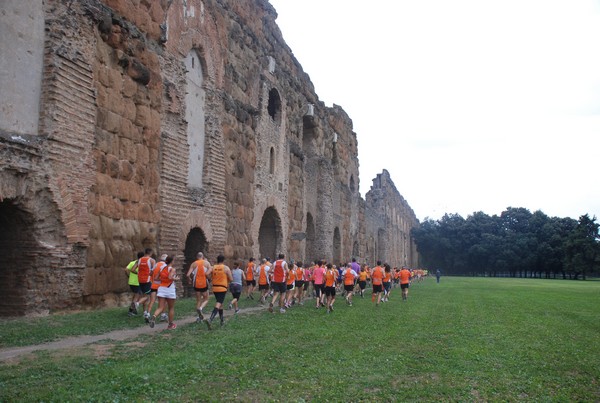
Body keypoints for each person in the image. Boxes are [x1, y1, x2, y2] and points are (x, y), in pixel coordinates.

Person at [149, 255, 180, 330]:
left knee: (160, 307)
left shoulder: (162, 268)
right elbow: (170, 277)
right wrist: (175, 279)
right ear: (172, 261)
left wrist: (162, 279)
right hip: (169, 289)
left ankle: (154, 316)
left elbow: (156, 278)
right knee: (171, 308)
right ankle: (170, 324)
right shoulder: (172, 269)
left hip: (161, 288)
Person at [204, 255, 233, 328]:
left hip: (215, 288)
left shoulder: (213, 267)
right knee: (219, 303)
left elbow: (206, 274)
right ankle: (211, 319)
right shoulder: (226, 268)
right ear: (223, 260)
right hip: (222, 288)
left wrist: (210, 278)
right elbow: (231, 278)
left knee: (220, 304)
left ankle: (222, 321)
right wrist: (227, 280)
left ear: (217, 260)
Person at [131, 248, 156, 322]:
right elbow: (153, 271)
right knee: (147, 296)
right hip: (147, 280)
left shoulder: (139, 260)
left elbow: (132, 270)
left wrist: (138, 273)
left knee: (143, 295)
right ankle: (137, 304)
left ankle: (144, 312)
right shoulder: (152, 260)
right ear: (150, 253)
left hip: (140, 280)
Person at [186, 252, 212, 321]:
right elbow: (210, 270)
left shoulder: (194, 264)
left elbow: (188, 275)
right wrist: (208, 276)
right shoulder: (206, 263)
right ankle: (200, 308)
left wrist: (189, 280)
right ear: (202, 256)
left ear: (197, 257)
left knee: (198, 300)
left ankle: (199, 316)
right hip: (204, 284)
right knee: (206, 299)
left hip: (196, 284)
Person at [149, 254, 169, 322]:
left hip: (153, 285)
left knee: (152, 300)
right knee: (164, 301)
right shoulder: (166, 266)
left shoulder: (156, 264)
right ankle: (163, 315)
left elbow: (150, 273)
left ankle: (148, 314)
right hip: (162, 286)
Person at [125, 251, 144, 316]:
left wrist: (128, 276)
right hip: (137, 282)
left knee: (136, 296)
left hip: (131, 282)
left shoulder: (132, 262)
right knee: (136, 297)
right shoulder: (140, 264)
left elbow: (126, 269)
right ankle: (131, 310)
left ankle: (133, 309)